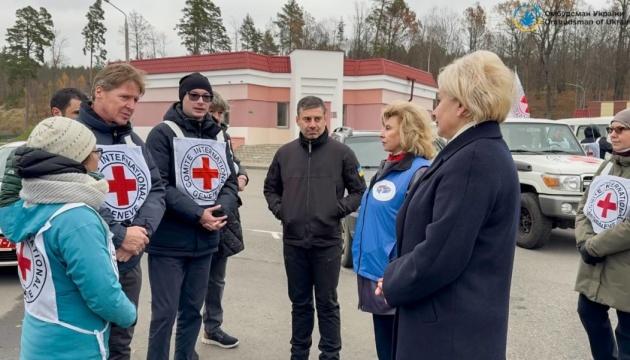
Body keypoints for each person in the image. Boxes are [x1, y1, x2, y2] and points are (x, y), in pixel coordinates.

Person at [378, 50, 520, 360]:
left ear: (463, 106)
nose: (434, 109)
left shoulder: (474, 159)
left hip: (450, 337)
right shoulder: (473, 151)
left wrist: (391, 280)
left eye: (440, 99)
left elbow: (441, 255)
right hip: (452, 329)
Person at [0, 116, 136, 359]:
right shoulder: (76, 219)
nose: (99, 157)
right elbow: (102, 293)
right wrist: (129, 314)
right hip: (76, 345)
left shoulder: (30, 205)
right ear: (78, 159)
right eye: (95, 150)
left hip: (38, 339)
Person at [264, 96, 366, 360]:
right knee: (299, 304)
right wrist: (282, 211)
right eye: (307, 119)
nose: (312, 124)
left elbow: (358, 191)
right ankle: (299, 354)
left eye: (317, 119)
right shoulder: (284, 154)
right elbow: (270, 188)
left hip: (327, 243)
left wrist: (336, 209)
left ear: (326, 119)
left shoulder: (342, 153)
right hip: (294, 243)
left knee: (327, 304)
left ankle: (330, 354)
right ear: (297, 120)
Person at [145, 72, 238, 360]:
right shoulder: (162, 133)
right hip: (169, 243)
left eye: (206, 97)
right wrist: (198, 214)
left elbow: (230, 182)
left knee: (192, 313)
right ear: (182, 97)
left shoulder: (219, 134)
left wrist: (218, 212)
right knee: (164, 314)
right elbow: (158, 183)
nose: (200, 102)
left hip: (206, 241)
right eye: (194, 96)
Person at [76, 63, 166, 360]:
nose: (132, 106)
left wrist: (140, 234)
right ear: (99, 92)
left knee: (120, 345)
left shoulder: (134, 141)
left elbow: (155, 190)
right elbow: (71, 194)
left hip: (128, 262)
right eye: (125, 97)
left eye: (136, 100)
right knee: (85, 343)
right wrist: (119, 235)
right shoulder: (75, 138)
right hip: (87, 261)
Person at [351, 101, 435, 360]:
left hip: (393, 278)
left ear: (408, 132)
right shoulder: (388, 167)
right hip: (375, 272)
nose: (381, 133)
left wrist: (398, 272)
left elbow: (420, 232)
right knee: (385, 348)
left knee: (397, 350)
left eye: (388, 128)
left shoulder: (419, 172)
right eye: (382, 127)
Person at [575, 108, 630, 360]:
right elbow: (584, 206)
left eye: (620, 129)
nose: (613, 135)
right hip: (596, 262)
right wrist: (584, 241)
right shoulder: (607, 165)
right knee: (588, 310)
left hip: (624, 267)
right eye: (611, 129)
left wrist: (594, 246)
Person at [201, 92, 247, 348]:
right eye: (213, 112)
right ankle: (187, 327)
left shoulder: (223, 137)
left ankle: (213, 327)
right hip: (196, 218)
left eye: (220, 113)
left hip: (223, 215)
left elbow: (236, 165)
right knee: (193, 279)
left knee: (217, 278)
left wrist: (243, 177)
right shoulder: (188, 137)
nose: (217, 118)